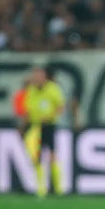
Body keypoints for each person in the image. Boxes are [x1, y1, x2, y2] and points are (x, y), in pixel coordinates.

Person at [23, 66, 65, 198]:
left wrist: (50, 116)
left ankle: (58, 188)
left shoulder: (52, 88)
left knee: (52, 155)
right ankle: (41, 189)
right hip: (36, 126)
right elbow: (28, 109)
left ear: (45, 76)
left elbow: (60, 106)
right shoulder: (31, 90)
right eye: (35, 75)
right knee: (37, 157)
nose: (36, 78)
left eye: (39, 75)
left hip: (49, 125)